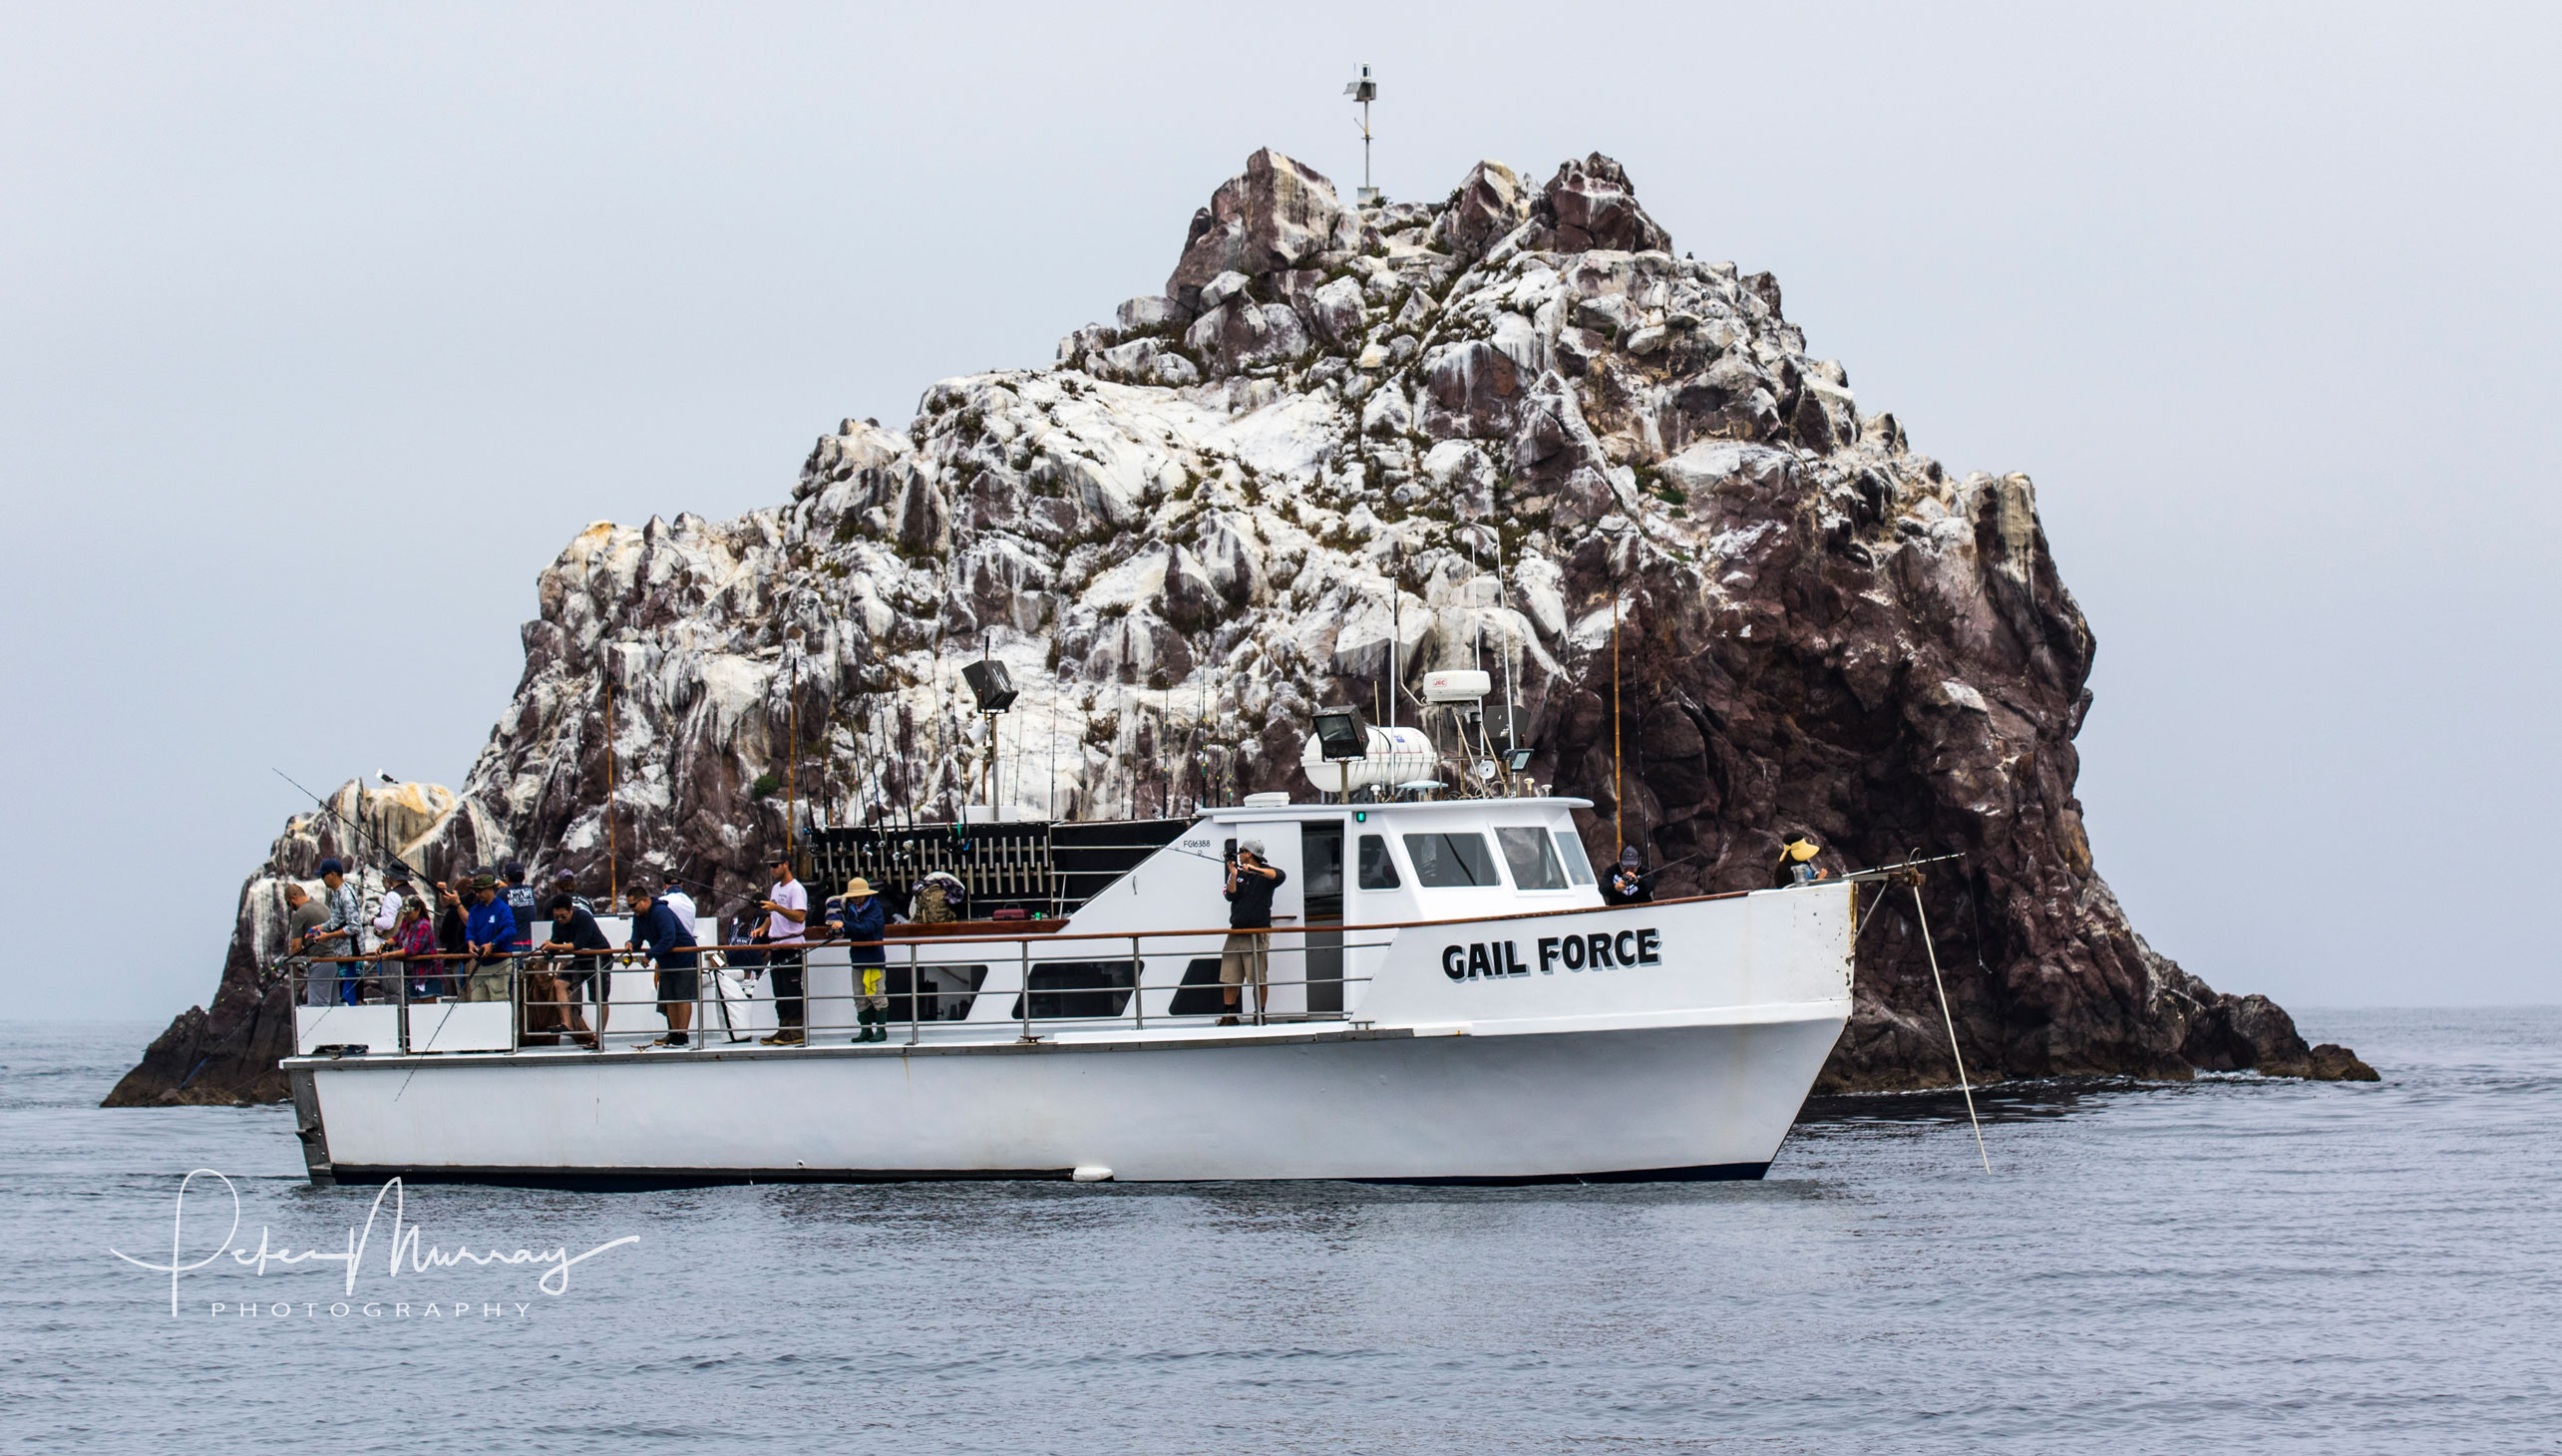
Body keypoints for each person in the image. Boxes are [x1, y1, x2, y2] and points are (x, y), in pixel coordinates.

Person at [1219, 840, 1286, 1026]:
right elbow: (1230, 895)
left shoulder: (1266, 873)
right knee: (1229, 977)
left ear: (1249, 853)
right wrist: (1233, 874)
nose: (1239, 855)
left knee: (1258, 977)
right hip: (1236, 933)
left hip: (1257, 933)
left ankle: (1260, 1014)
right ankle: (1229, 1015)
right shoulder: (1238, 874)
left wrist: (1254, 870)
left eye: (1241, 851)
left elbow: (1280, 876)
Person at [624, 885, 698, 1048]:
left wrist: (649, 955)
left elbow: (668, 938)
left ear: (644, 900)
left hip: (683, 958)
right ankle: (674, 1032)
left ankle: (682, 1034)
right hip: (665, 960)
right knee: (670, 998)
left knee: (682, 996)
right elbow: (637, 937)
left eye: (633, 905)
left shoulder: (660, 912)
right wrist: (631, 944)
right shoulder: (639, 916)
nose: (632, 909)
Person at [542, 894, 616, 1048]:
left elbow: (577, 944)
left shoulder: (584, 917)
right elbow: (556, 941)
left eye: (563, 916)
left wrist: (554, 947)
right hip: (581, 959)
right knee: (560, 983)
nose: (560, 920)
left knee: (600, 998)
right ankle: (567, 1023)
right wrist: (548, 952)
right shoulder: (557, 924)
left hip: (599, 957)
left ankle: (598, 1037)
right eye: (556, 917)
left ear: (571, 910)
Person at [756, 855, 810, 1046]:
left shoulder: (796, 889)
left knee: (791, 990)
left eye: (775, 865)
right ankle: (784, 1028)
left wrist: (777, 908)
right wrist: (763, 927)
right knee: (779, 990)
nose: (772, 869)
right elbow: (772, 914)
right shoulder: (775, 888)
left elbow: (799, 917)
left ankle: (796, 1031)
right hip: (776, 946)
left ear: (786, 864)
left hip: (792, 946)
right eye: (770, 866)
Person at [307, 859, 368, 1004]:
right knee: (345, 994)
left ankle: (354, 1022)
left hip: (352, 954)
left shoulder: (346, 896)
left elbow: (354, 926)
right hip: (342, 954)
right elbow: (337, 922)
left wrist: (328, 936)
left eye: (324, 876)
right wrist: (320, 928)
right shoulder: (338, 894)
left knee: (350, 995)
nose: (322, 879)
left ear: (333, 874)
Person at [838, 878, 889, 1042]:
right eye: (852, 897)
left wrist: (845, 926)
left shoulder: (875, 909)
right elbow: (857, 929)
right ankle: (866, 1030)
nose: (854, 900)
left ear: (864, 896)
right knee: (859, 995)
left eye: (856, 896)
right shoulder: (852, 909)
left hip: (873, 957)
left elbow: (868, 928)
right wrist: (844, 930)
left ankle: (881, 1031)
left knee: (877, 995)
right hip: (859, 957)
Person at [461, 873, 518, 1003]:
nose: (477, 894)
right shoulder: (475, 910)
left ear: (490, 889)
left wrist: (493, 943)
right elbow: (470, 929)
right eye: (476, 891)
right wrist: (470, 942)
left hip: (499, 961)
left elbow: (510, 929)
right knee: (477, 1001)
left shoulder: (503, 908)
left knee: (499, 1000)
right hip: (479, 963)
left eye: (480, 890)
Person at [282, 883, 335, 1006]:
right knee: (334, 1003)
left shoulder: (301, 913)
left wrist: (294, 971)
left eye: (288, 903)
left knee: (318, 1005)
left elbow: (295, 946)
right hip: (337, 961)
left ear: (293, 898)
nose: (290, 908)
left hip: (321, 962)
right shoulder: (323, 907)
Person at [380, 897, 438, 1002]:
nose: (407, 916)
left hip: (426, 971)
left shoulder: (423, 926)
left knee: (427, 1003)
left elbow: (412, 949)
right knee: (414, 1003)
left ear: (418, 910)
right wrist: (382, 948)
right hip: (412, 972)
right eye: (405, 913)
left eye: (409, 913)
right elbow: (396, 938)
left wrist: (389, 955)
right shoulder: (406, 923)